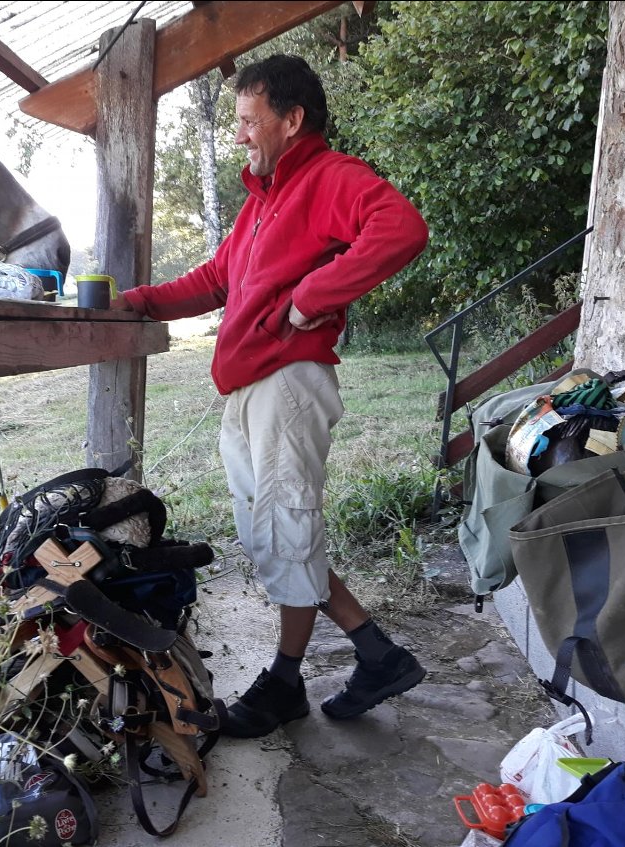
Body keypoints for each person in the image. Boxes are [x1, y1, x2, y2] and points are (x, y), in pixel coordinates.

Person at [112, 54, 430, 738]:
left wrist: (314, 296)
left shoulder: (329, 176)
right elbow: (212, 280)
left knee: (287, 529)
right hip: (251, 388)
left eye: (249, 121)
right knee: (276, 536)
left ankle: (286, 681)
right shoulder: (261, 203)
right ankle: (375, 651)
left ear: (292, 120)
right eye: (236, 122)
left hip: (288, 385)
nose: (238, 136)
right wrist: (131, 302)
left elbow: (402, 229)